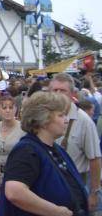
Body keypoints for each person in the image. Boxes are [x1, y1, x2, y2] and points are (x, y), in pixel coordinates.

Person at [0, 91, 88, 216]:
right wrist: (55, 211)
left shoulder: (54, 148)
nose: (66, 120)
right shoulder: (26, 151)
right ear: (44, 119)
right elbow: (14, 191)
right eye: (61, 115)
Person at [50, 73, 101, 212]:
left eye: (63, 90)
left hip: (77, 187)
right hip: (51, 188)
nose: (58, 94)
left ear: (72, 93)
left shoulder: (84, 121)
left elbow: (95, 159)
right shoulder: (44, 117)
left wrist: (94, 193)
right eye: (55, 90)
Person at [0, 95, 25, 205]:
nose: (8, 110)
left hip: (17, 176)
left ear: (16, 109)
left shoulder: (23, 129)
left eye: (11, 107)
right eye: (4, 108)